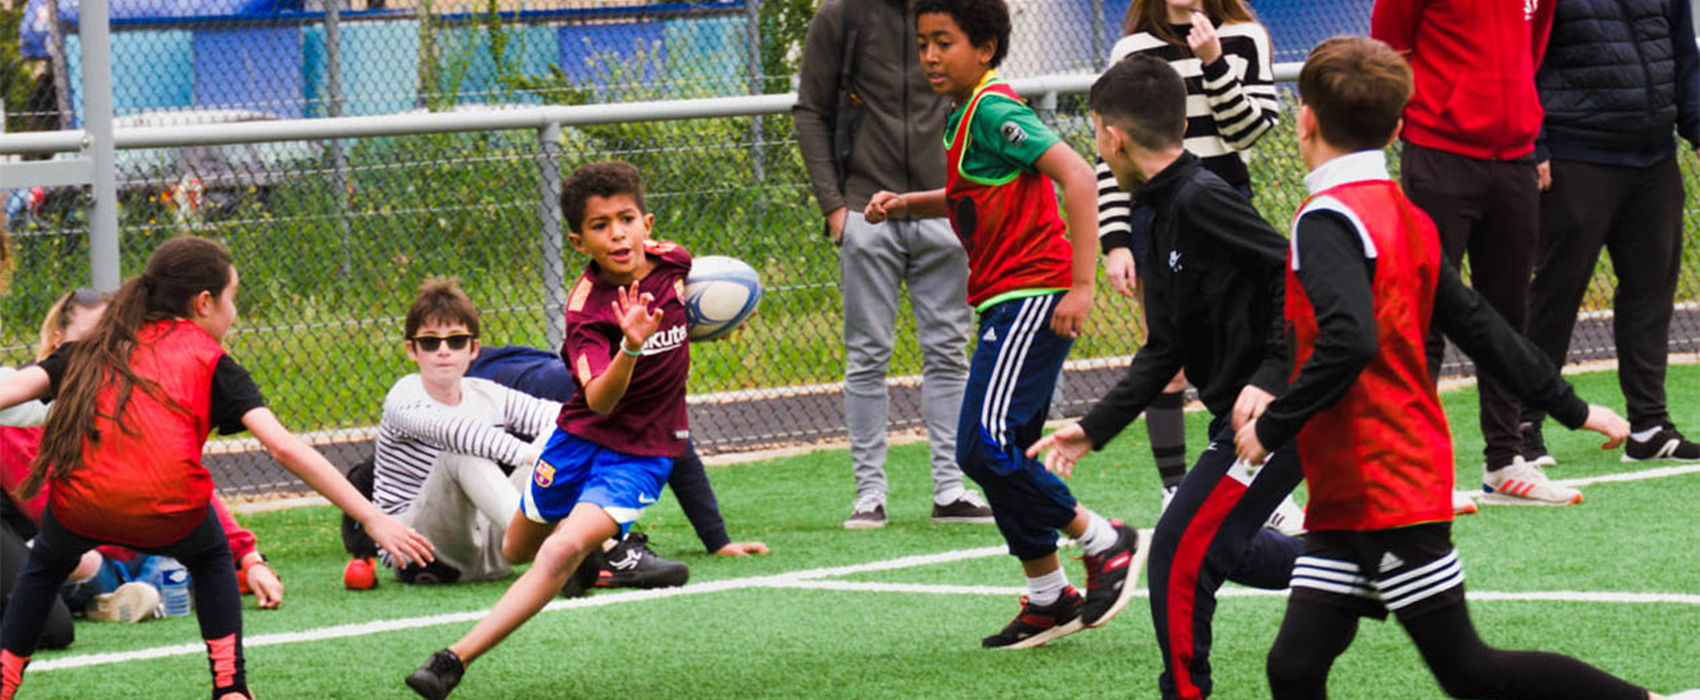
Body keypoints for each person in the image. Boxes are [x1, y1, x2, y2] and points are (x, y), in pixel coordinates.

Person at [1237, 36, 1699, 700]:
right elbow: (1481, 327)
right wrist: (1571, 406)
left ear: (1303, 120)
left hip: (1385, 488)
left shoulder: (1327, 220)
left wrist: (1275, 423)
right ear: (1400, 127)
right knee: (1295, 667)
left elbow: (1349, 340)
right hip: (1356, 489)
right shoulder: (1404, 215)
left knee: (1470, 671)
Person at [0, 236, 433, 700]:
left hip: (82, 510)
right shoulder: (214, 362)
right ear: (204, 303)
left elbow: (14, 389)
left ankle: (5, 682)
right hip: (170, 511)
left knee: (45, 563)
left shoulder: (93, 347)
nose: (235, 313)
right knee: (210, 556)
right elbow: (285, 449)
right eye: (233, 299)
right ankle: (230, 688)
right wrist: (371, 516)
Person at [865, 0, 1139, 650]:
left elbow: (1075, 173)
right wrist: (909, 203)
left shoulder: (992, 107)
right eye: (923, 42)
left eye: (944, 42)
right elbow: (978, 195)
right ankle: (1048, 597)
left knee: (980, 450)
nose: (930, 55)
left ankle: (1107, 542)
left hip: (1030, 296)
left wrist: (1080, 283)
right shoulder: (964, 115)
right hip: (1005, 299)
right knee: (1001, 454)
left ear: (985, 48)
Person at [1027, 55, 1301, 700]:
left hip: (1283, 414)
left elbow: (1298, 276)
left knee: (1181, 556)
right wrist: (1091, 430)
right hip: (1243, 416)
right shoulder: (1159, 209)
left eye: (1094, 132)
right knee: (1219, 547)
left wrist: (1271, 377)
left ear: (1111, 136)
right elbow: (1165, 349)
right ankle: (1355, 566)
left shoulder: (1202, 199)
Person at [404, 162, 693, 699]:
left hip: (640, 456)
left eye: (627, 219)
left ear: (647, 223)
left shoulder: (674, 263)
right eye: (601, 225)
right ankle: (583, 556)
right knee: (517, 549)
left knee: (558, 552)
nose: (618, 234)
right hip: (579, 439)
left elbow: (690, 309)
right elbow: (600, 399)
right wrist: (630, 345)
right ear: (580, 239)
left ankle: (452, 660)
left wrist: (715, 322)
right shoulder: (588, 312)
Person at [793, 0, 992, 530]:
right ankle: (868, 495)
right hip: (865, 209)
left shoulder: (960, 11)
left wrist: (970, 196)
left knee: (949, 350)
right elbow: (810, 109)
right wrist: (835, 207)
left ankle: (951, 489)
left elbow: (984, 98)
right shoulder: (841, 15)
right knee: (866, 356)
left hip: (946, 206)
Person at [1372, 0, 1568, 506]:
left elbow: (1533, 46)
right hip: (1439, 154)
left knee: (1506, 315)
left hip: (1515, 157)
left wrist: (1520, 116)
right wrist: (1431, 109)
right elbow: (1388, 49)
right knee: (1425, 311)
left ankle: (1504, 460)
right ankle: (1413, 469)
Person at [2, 289, 284, 623]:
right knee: (77, 559)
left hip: (138, 546)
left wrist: (250, 558)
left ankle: (121, 596)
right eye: (87, 341)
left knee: (179, 554)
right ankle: (128, 592)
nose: (99, 354)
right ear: (58, 342)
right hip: (76, 545)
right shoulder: (20, 404)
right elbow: (46, 506)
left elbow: (185, 485)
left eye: (112, 342)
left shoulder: (131, 396)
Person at [1096, 0, 1279, 509]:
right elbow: (1111, 150)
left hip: (1223, 211)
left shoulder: (1245, 37)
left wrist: (1214, 61)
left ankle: (1254, 479)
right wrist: (1116, 241)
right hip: (1156, 216)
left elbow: (1251, 132)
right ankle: (1174, 487)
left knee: (1241, 345)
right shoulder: (1132, 49)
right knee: (1168, 353)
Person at [1521, 0, 1700, 467]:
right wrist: (1533, 141)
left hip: (1655, 156)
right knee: (1555, 295)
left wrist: (1698, 129)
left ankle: (1650, 426)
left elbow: (1684, 53)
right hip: (1574, 152)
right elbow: (1523, 58)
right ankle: (1522, 426)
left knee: (1651, 293)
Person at [467, 344, 769, 560]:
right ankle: (602, 549)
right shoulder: (585, 390)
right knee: (563, 459)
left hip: (517, 378)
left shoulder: (646, 386)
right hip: (484, 412)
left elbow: (680, 453)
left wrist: (718, 540)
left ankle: (595, 545)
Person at [370, 278, 566, 586]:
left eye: (456, 340)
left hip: (495, 550)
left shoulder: (486, 392)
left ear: (474, 348)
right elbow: (456, 432)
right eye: (430, 342)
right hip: (420, 554)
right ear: (412, 350)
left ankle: (583, 540)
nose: (444, 350)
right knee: (461, 452)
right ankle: (560, 546)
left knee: (566, 434)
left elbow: (559, 418)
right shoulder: (403, 394)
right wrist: (530, 456)